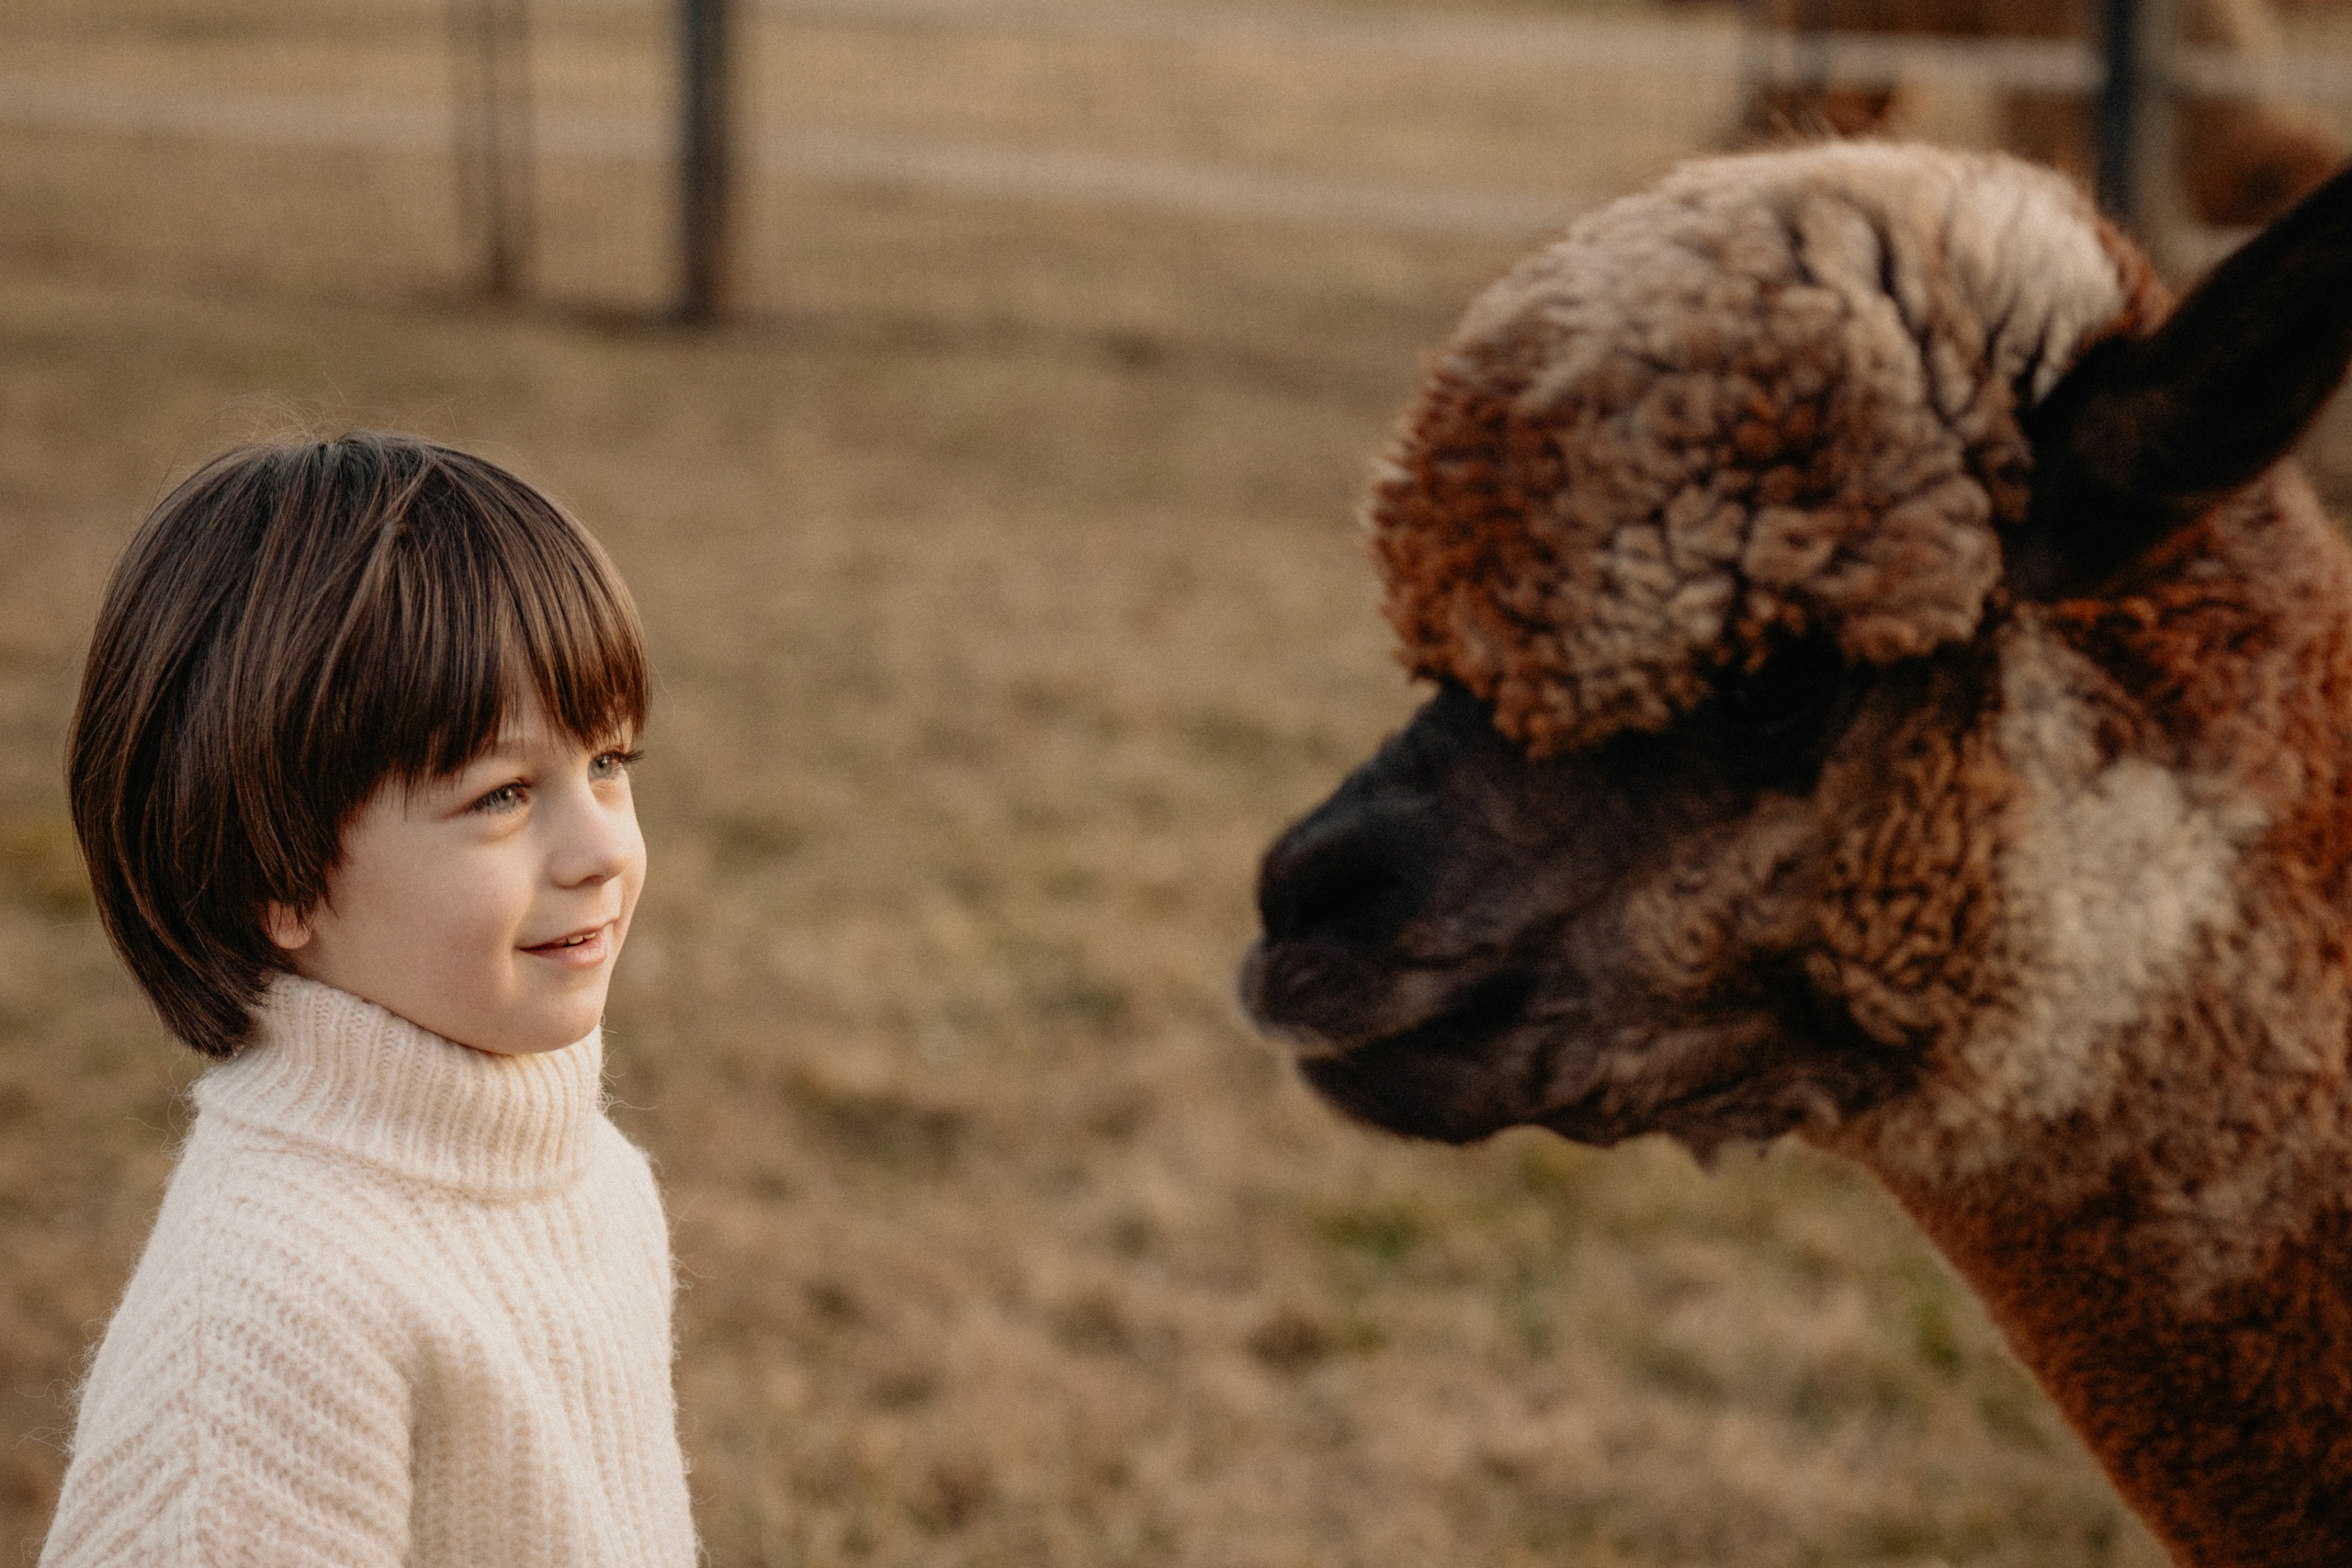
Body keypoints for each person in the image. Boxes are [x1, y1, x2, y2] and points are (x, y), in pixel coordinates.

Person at [40, 432, 696, 1566]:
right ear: (280, 874)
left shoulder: (593, 1181)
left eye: (607, 764)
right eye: (501, 794)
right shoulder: (273, 1313)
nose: (601, 847)